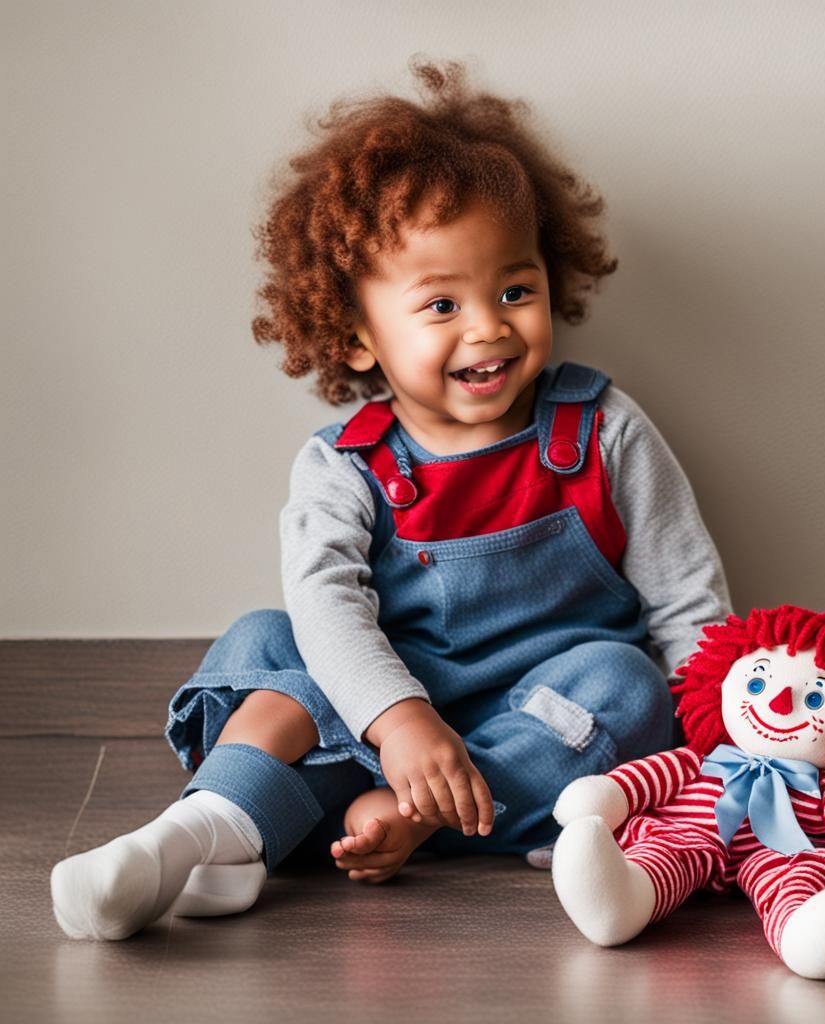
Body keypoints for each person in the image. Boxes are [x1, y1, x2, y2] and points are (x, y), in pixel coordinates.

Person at [50, 59, 731, 941]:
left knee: (628, 680)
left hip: (537, 729)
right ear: (358, 337)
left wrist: (723, 757)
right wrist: (403, 721)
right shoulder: (345, 465)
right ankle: (197, 832)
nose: (487, 325)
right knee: (272, 637)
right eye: (441, 303)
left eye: (514, 291)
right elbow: (330, 604)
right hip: (382, 717)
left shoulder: (603, 430)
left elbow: (687, 602)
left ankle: (392, 823)